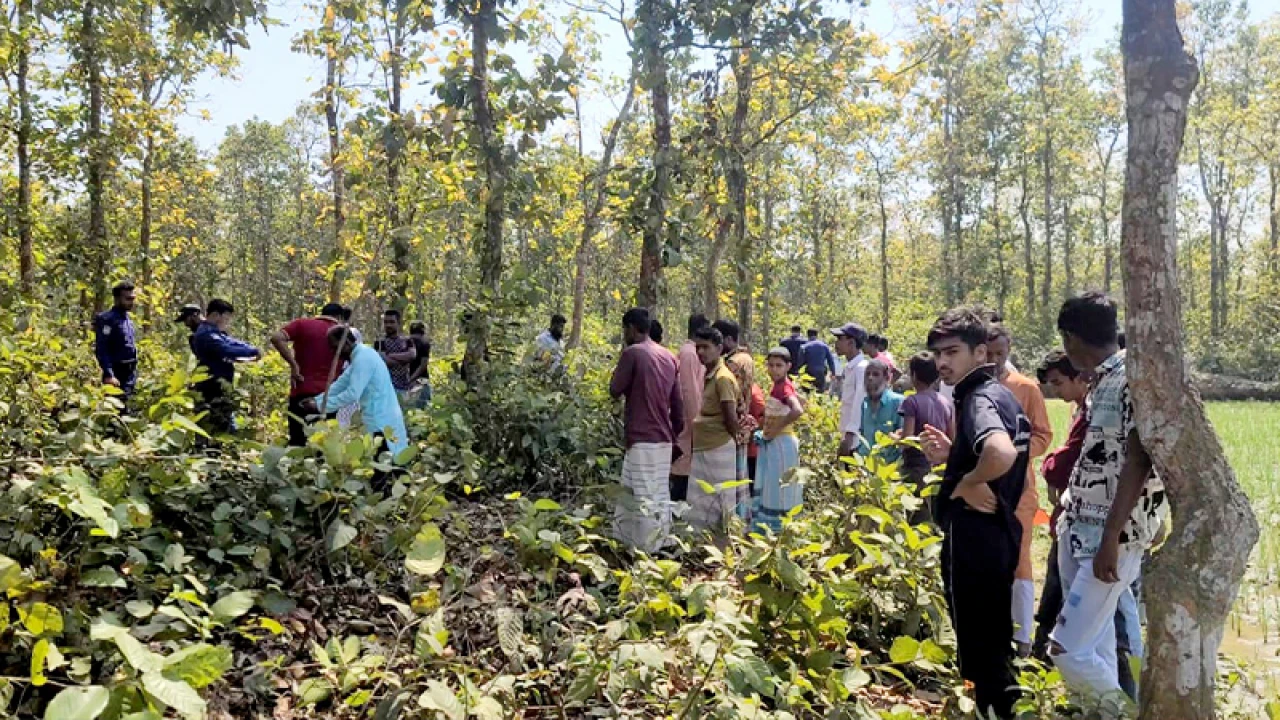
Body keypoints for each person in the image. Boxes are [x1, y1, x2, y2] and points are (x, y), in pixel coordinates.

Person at [1051, 292, 1165, 703]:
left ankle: (1122, 714)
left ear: (1071, 338)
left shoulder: (1132, 378)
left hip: (1109, 536)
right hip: (1081, 525)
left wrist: (1111, 538)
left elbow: (1138, 459)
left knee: (1066, 650)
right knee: (1094, 645)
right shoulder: (1103, 379)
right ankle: (1097, 711)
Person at [918, 307, 1031, 719]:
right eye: (937, 354)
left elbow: (1000, 453)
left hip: (976, 540)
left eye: (951, 352)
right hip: (998, 536)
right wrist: (956, 458)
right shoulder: (1002, 394)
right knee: (995, 641)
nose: (942, 363)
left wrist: (966, 482)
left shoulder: (978, 398)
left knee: (982, 651)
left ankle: (993, 711)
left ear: (980, 352)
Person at [985, 322, 1054, 657]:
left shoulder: (1026, 388)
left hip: (1019, 488)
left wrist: (1018, 451)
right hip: (983, 486)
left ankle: (1023, 639)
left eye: (1001, 353)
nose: (996, 360)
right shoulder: (975, 386)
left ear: (1009, 349)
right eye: (990, 353)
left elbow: (1043, 434)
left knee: (1020, 559)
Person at [608, 308, 684, 552]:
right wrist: (675, 435)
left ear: (631, 328)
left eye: (625, 330)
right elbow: (678, 405)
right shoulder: (670, 357)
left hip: (642, 436)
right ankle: (637, 542)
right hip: (663, 438)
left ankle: (646, 551)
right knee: (655, 492)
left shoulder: (633, 353)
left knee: (642, 496)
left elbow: (615, 389)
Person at [1032, 350, 1091, 661]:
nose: (1056, 391)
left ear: (1079, 377)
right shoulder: (1080, 410)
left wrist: (1050, 466)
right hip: (1069, 513)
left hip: (1085, 518)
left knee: (1064, 589)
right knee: (1056, 586)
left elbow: (1064, 460)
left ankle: (1052, 656)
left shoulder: (1094, 411)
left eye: (1058, 382)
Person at [306, 326, 409, 477]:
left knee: (387, 469)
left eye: (335, 348)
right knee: (384, 466)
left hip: (381, 420)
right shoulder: (360, 355)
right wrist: (316, 400)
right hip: (379, 417)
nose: (335, 353)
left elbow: (352, 393)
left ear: (346, 342)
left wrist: (321, 407)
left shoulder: (363, 358)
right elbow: (340, 384)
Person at [687, 326, 743, 532]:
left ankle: (723, 543)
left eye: (706, 347)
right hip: (706, 447)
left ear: (719, 348)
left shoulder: (722, 378)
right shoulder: (709, 374)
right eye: (698, 347)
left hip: (717, 447)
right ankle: (702, 544)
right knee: (702, 499)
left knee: (720, 499)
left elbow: (730, 416)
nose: (701, 352)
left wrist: (733, 437)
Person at [271, 302, 344, 447]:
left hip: (301, 391)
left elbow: (276, 337)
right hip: (329, 396)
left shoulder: (302, 324)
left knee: (298, 441)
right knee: (323, 445)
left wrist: (294, 364)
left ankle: (296, 468)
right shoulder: (343, 334)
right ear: (339, 317)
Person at [898, 352, 955, 523]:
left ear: (914, 376)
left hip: (915, 469)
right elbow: (952, 438)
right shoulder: (946, 402)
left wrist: (896, 439)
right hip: (939, 470)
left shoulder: (911, 402)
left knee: (916, 519)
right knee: (935, 518)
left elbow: (908, 440)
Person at [191, 299, 262, 433]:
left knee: (225, 424)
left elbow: (231, 342)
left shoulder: (215, 333)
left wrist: (252, 349)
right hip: (211, 389)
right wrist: (251, 352)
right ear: (216, 315)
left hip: (220, 388)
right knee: (215, 427)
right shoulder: (206, 334)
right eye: (226, 318)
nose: (227, 322)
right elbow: (226, 349)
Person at [753, 348, 805, 532]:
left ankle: (779, 530)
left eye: (779, 366)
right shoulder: (779, 386)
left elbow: (797, 409)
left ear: (788, 367)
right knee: (775, 486)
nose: (774, 370)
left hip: (783, 443)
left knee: (780, 488)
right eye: (771, 365)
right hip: (777, 443)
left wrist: (776, 428)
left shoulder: (784, 387)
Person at [713, 319, 758, 516]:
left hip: (733, 421)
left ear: (729, 340)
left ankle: (731, 518)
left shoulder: (733, 363)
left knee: (731, 475)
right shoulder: (746, 357)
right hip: (742, 419)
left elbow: (727, 394)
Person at [671, 315, 709, 503]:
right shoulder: (689, 353)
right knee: (682, 462)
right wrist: (696, 420)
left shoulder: (694, 352)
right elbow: (688, 389)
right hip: (688, 419)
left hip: (693, 417)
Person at [94, 281, 139, 399]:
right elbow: (102, 348)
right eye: (128, 299)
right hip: (116, 371)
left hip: (130, 371)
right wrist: (109, 374)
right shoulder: (107, 319)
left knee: (128, 406)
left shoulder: (128, 319)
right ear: (117, 299)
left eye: (132, 298)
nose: (131, 302)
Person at [833, 323, 870, 460]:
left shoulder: (861, 368)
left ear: (851, 343)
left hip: (855, 440)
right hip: (848, 435)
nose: (836, 343)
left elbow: (859, 402)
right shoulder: (850, 368)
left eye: (839, 339)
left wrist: (850, 435)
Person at [858, 358, 904, 461]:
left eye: (875, 374)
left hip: (888, 469)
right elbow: (862, 435)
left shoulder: (898, 402)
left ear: (887, 378)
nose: (870, 378)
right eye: (867, 374)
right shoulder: (864, 404)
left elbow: (903, 440)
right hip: (865, 466)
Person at [374, 309, 417, 403]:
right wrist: (404, 359)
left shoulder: (407, 340)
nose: (388, 325)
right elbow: (384, 361)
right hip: (386, 388)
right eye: (386, 322)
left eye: (391, 322)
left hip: (405, 386)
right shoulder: (380, 342)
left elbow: (412, 355)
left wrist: (390, 355)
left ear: (398, 323)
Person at [408, 322, 433, 408]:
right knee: (422, 411)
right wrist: (411, 379)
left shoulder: (404, 342)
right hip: (421, 380)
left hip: (405, 381)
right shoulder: (425, 343)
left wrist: (408, 379)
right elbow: (423, 365)